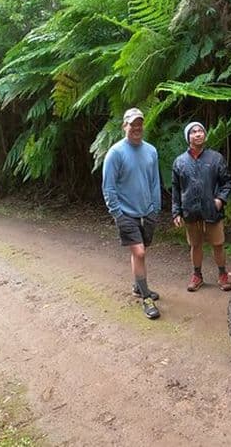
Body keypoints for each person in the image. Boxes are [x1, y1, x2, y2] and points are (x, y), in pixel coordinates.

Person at [102, 107, 162, 319]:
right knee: (139, 252)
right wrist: (117, 213)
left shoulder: (151, 151)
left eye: (139, 123)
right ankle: (146, 297)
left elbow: (155, 181)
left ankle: (138, 286)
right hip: (125, 212)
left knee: (140, 251)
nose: (136, 127)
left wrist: (156, 207)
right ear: (124, 126)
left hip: (147, 211)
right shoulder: (115, 153)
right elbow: (108, 187)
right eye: (132, 124)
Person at [172, 121, 231, 292]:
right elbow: (176, 188)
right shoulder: (179, 162)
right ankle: (197, 275)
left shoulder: (215, 158)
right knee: (195, 244)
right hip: (190, 210)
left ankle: (222, 274)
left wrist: (220, 199)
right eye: (193, 132)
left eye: (201, 131)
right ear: (188, 137)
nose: (198, 134)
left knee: (218, 244)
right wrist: (176, 211)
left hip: (212, 209)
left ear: (205, 135)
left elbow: (228, 182)